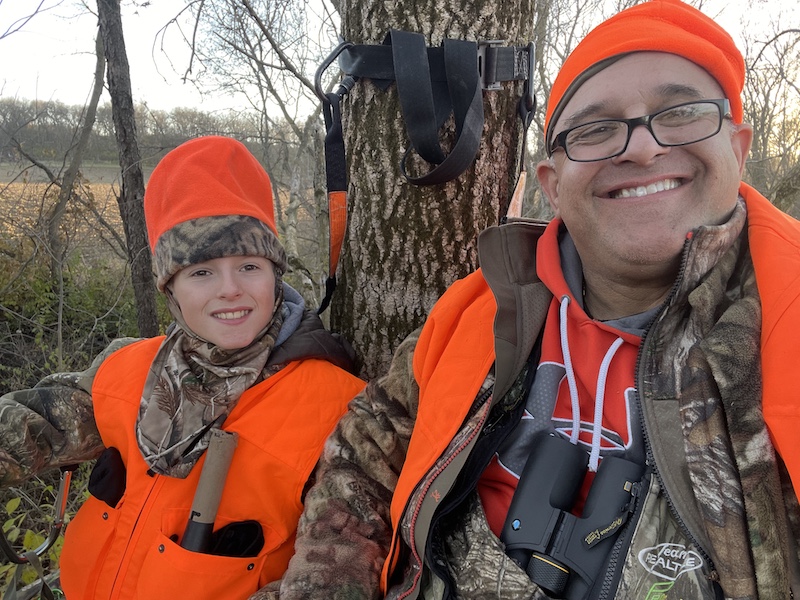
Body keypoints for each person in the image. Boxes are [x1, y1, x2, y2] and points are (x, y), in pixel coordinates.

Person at [278, 0, 800, 598]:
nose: (641, 148)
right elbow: (368, 444)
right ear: (552, 183)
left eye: (679, 113)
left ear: (738, 146)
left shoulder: (786, 328)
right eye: (595, 129)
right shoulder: (482, 311)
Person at [0, 136, 365, 600]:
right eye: (201, 272)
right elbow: (28, 427)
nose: (230, 289)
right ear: (170, 289)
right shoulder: (126, 368)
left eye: (249, 266)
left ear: (276, 273)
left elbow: (339, 574)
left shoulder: (340, 409)